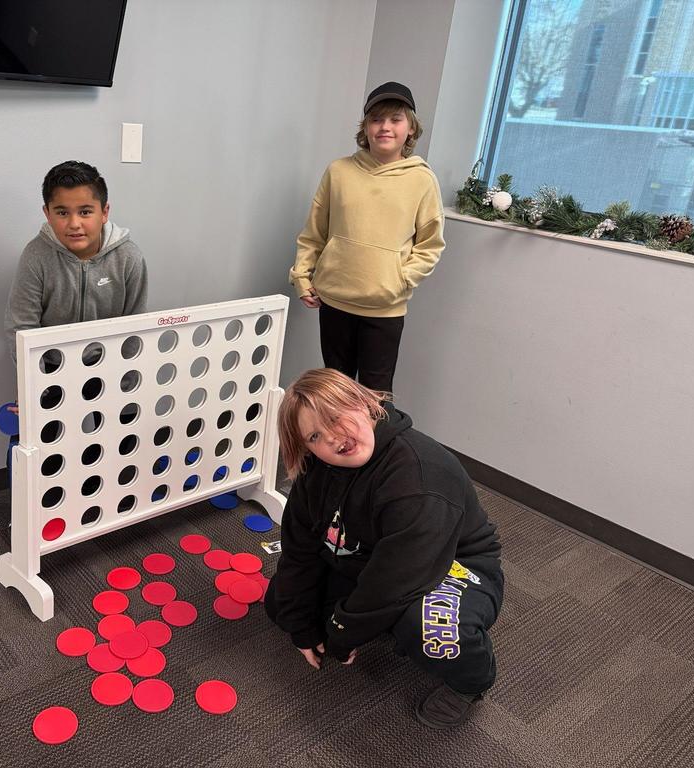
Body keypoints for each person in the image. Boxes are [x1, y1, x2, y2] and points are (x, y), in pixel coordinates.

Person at [265, 368, 503, 729]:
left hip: (452, 562)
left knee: (430, 629)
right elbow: (299, 552)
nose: (332, 438)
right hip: (370, 558)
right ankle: (381, 622)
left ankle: (472, 681)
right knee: (281, 605)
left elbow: (393, 580)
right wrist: (301, 626)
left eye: (335, 417)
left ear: (365, 403)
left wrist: (343, 634)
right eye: (314, 435)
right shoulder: (316, 472)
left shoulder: (419, 476)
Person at [289, 82, 445, 393]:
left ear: (411, 129)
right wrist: (301, 277)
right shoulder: (339, 172)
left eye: (395, 119)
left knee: (376, 397)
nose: (385, 127)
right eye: (376, 119)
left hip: (384, 308)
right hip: (334, 301)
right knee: (335, 393)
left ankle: (376, 445)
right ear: (366, 128)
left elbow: (430, 245)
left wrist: (399, 278)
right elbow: (314, 232)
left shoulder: (422, 180)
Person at [3, 160, 148, 459]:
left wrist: (127, 388)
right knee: (49, 451)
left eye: (85, 212)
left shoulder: (129, 258)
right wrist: (36, 385)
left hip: (108, 365)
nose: (74, 223)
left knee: (117, 447)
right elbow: (21, 327)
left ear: (104, 212)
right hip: (54, 366)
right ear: (47, 213)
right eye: (62, 212)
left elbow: (135, 327)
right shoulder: (36, 257)